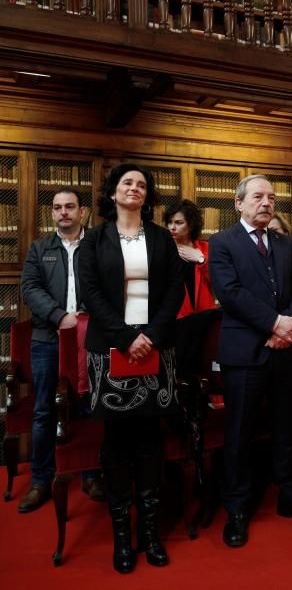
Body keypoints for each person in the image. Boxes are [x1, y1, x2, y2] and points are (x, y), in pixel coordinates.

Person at [209, 174, 292, 548]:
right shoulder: (222, 243)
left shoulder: (283, 243)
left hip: (287, 350)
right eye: (258, 197)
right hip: (245, 352)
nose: (266, 203)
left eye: (272, 198)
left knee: (287, 427)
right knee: (240, 433)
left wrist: (288, 324)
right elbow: (230, 293)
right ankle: (238, 508)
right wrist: (274, 323)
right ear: (238, 203)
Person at [79, 164, 184, 574]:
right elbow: (90, 291)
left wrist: (152, 335)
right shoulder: (95, 239)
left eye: (142, 184)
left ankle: (152, 533)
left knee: (150, 437)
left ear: (148, 194)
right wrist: (125, 337)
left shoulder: (160, 238)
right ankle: (123, 535)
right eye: (128, 182)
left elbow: (176, 288)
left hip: (156, 347)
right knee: (118, 440)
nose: (135, 188)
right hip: (110, 348)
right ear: (113, 191)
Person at [19, 188, 104, 514]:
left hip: (89, 339)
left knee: (89, 405)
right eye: (57, 208)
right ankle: (41, 480)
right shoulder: (40, 249)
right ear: (52, 213)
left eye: (70, 207)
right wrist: (60, 317)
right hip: (47, 339)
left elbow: (106, 285)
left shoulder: (96, 246)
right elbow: (29, 288)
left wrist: (82, 317)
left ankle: (91, 474)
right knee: (43, 411)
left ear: (82, 212)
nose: (63, 212)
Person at [163, 199, 216, 317]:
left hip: (206, 315)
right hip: (176, 317)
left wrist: (201, 259)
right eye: (169, 222)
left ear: (191, 225)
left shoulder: (206, 248)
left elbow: (219, 281)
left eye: (178, 222)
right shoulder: (163, 250)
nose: (172, 227)